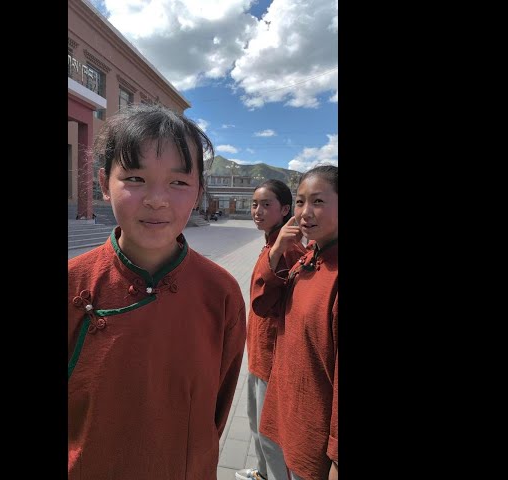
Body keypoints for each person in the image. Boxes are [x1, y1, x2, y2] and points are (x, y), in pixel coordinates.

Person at [68, 103, 246, 480]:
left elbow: (218, 407)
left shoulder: (221, 292)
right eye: (134, 178)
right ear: (103, 184)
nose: (156, 199)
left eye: (178, 182)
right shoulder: (73, 282)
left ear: (198, 191)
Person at [252, 165, 338, 480]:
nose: (305, 212)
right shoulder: (306, 261)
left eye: (317, 201)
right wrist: (275, 252)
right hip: (286, 410)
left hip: (313, 433)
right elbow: (263, 304)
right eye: (300, 202)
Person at [236, 180, 305, 480]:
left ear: (285, 209)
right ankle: (263, 474)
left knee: (270, 434)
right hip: (259, 357)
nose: (257, 211)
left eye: (266, 205)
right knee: (256, 424)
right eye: (254, 204)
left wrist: (277, 250)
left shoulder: (289, 250)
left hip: (274, 361)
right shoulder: (272, 243)